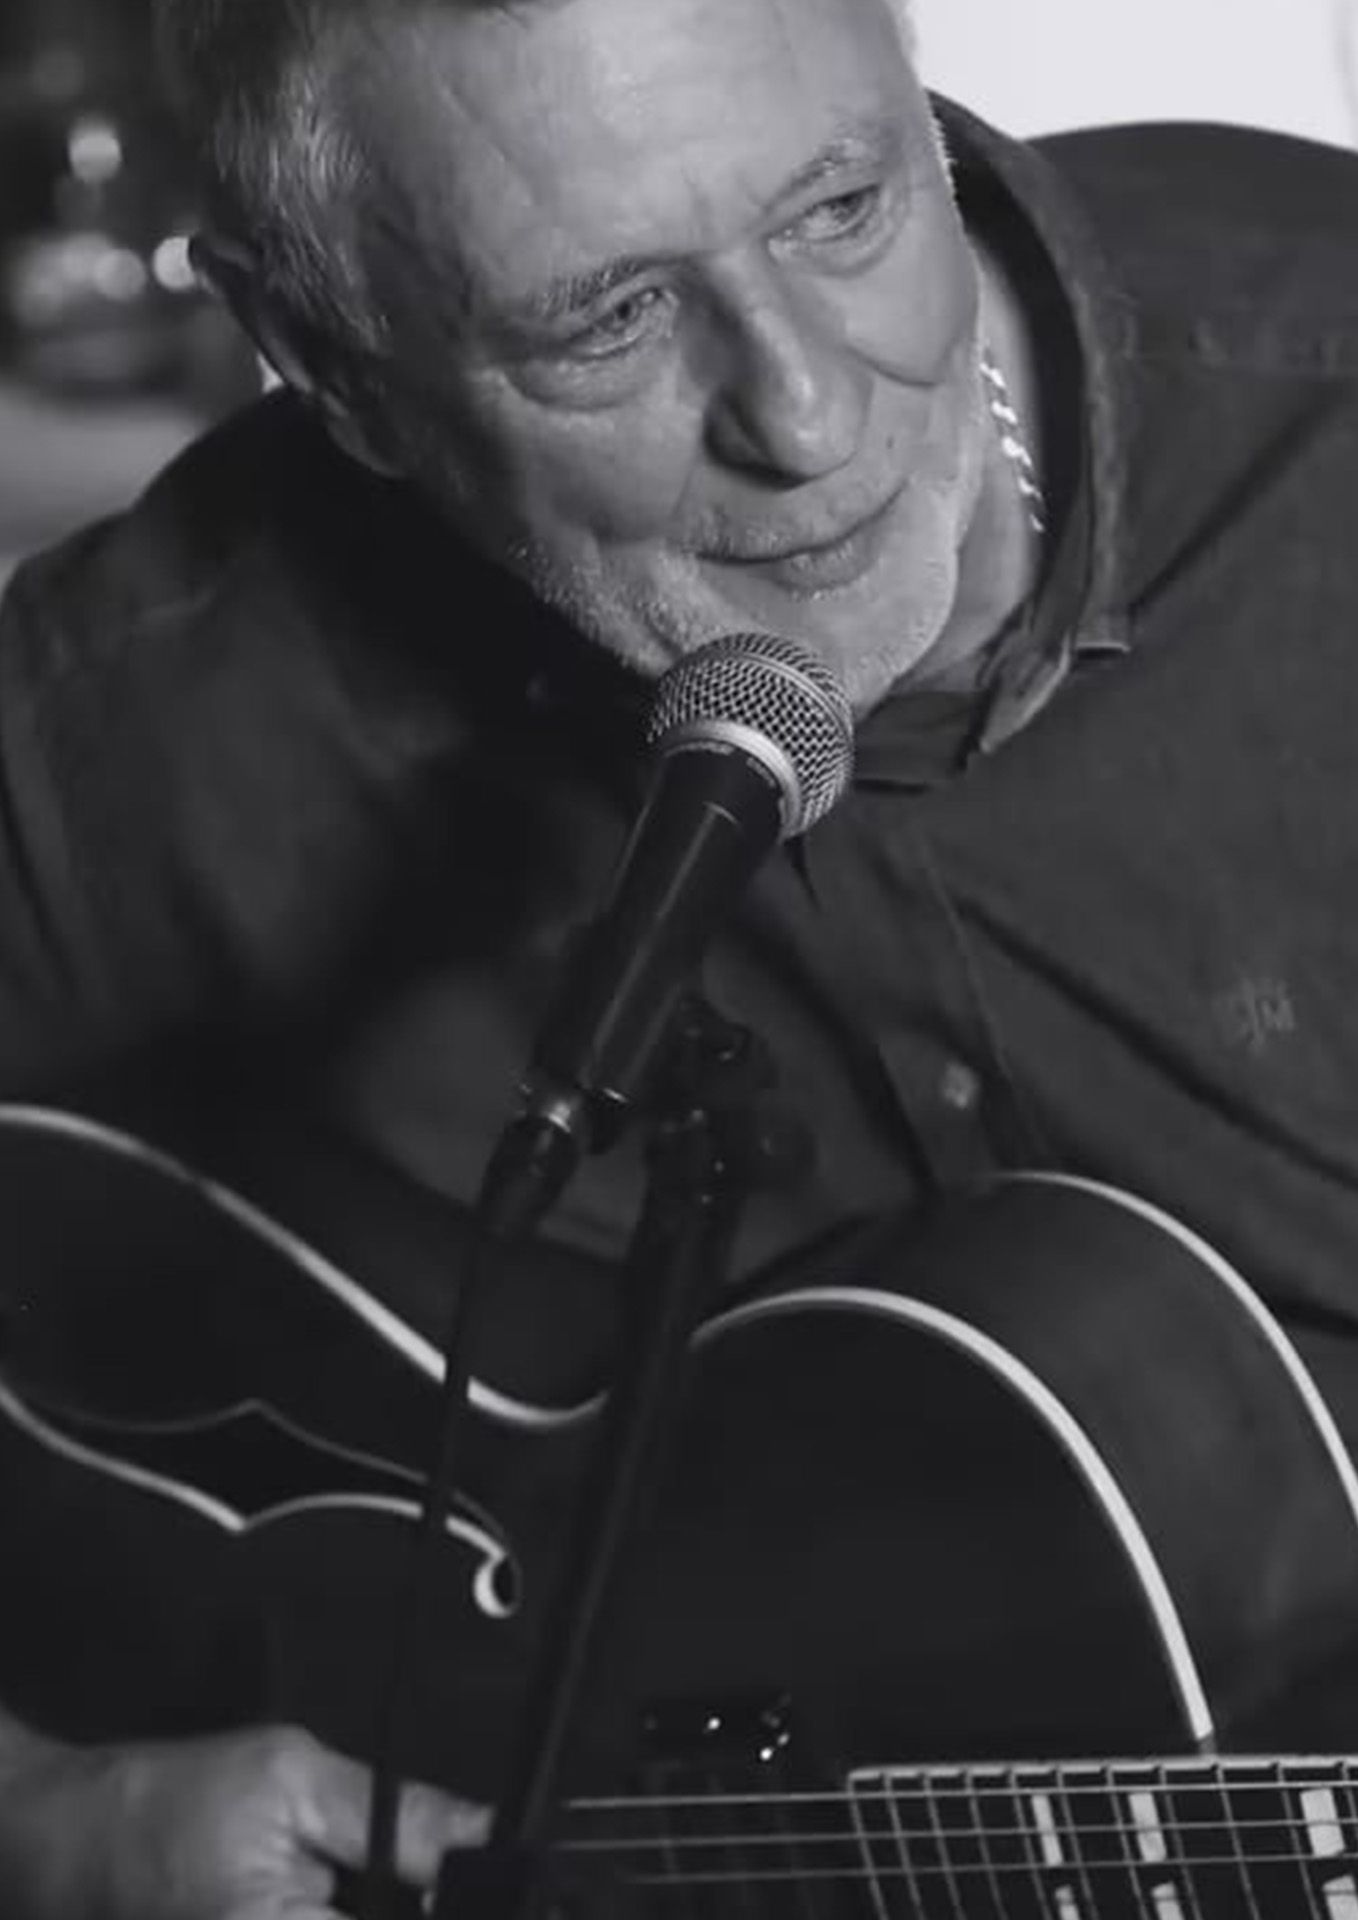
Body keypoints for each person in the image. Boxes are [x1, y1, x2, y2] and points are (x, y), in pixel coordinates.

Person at [5, 0, 1358, 1910]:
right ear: (329, 362)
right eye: (612, 318)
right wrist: (43, 1815)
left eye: (840, 210)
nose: (804, 418)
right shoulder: (141, 727)